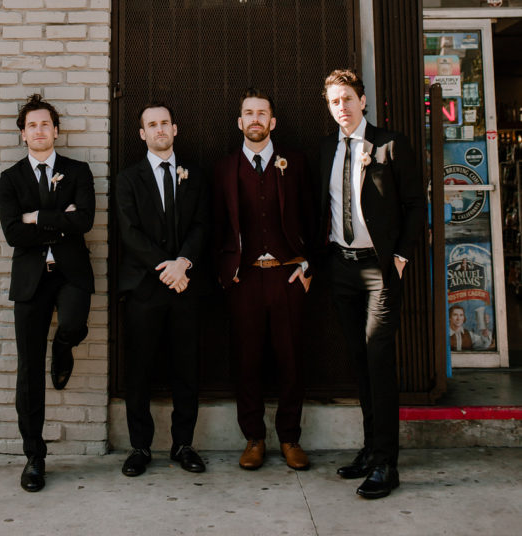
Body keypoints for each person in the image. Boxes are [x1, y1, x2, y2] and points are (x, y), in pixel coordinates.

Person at [319, 69, 425, 500]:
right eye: (333, 101)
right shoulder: (326, 148)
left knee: (379, 359)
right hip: (341, 268)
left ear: (362, 101)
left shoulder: (389, 144)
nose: (341, 107)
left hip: (380, 269)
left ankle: (386, 463)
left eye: (347, 99)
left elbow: (416, 205)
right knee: (359, 361)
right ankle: (368, 450)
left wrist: (399, 257)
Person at [213, 88, 314, 472]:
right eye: (248, 113)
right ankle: (253, 438)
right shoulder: (224, 168)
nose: (255, 119)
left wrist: (307, 266)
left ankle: (290, 438)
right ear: (240, 122)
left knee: (291, 361)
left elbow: (313, 217)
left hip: (287, 278)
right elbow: (217, 228)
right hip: (246, 280)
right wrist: (227, 275)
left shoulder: (296, 163)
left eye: (262, 113)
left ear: (272, 122)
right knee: (247, 361)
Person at [0, 94, 95, 492]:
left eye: (45, 124)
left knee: (72, 324)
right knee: (28, 370)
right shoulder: (10, 178)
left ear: (56, 130)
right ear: (23, 134)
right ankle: (34, 456)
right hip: (30, 280)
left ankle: (65, 346)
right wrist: (60, 220)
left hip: (71, 273)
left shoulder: (78, 171)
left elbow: (84, 221)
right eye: (32, 125)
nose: (39, 131)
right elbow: (12, 233)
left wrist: (36, 216)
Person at [115, 102, 210, 477]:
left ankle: (183, 444)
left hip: (186, 286)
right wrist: (166, 268)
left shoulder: (196, 176)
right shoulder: (128, 179)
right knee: (138, 370)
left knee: (186, 368)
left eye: (165, 123)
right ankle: (140, 447)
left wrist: (183, 263)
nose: (159, 130)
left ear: (175, 128)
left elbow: (203, 225)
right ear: (142, 133)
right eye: (151, 125)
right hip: (144, 288)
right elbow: (130, 233)